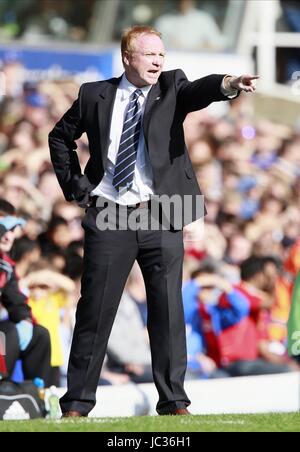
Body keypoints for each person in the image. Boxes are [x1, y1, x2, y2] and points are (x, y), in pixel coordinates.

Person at [49, 25, 259, 417]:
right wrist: (78, 189)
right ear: (128, 57)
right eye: (150, 55)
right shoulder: (93, 94)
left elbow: (202, 90)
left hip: (163, 214)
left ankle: (174, 401)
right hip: (110, 211)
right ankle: (76, 404)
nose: (158, 61)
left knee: (167, 310)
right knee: (95, 310)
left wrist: (229, 83)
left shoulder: (172, 87)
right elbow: (59, 138)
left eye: (161, 55)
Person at [0, 200, 51, 384]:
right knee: (7, 332)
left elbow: (16, 301)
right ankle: (3, 390)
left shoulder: (6, 266)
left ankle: (38, 395)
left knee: (39, 334)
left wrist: (25, 320)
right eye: (3, 229)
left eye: (13, 230)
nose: (8, 236)